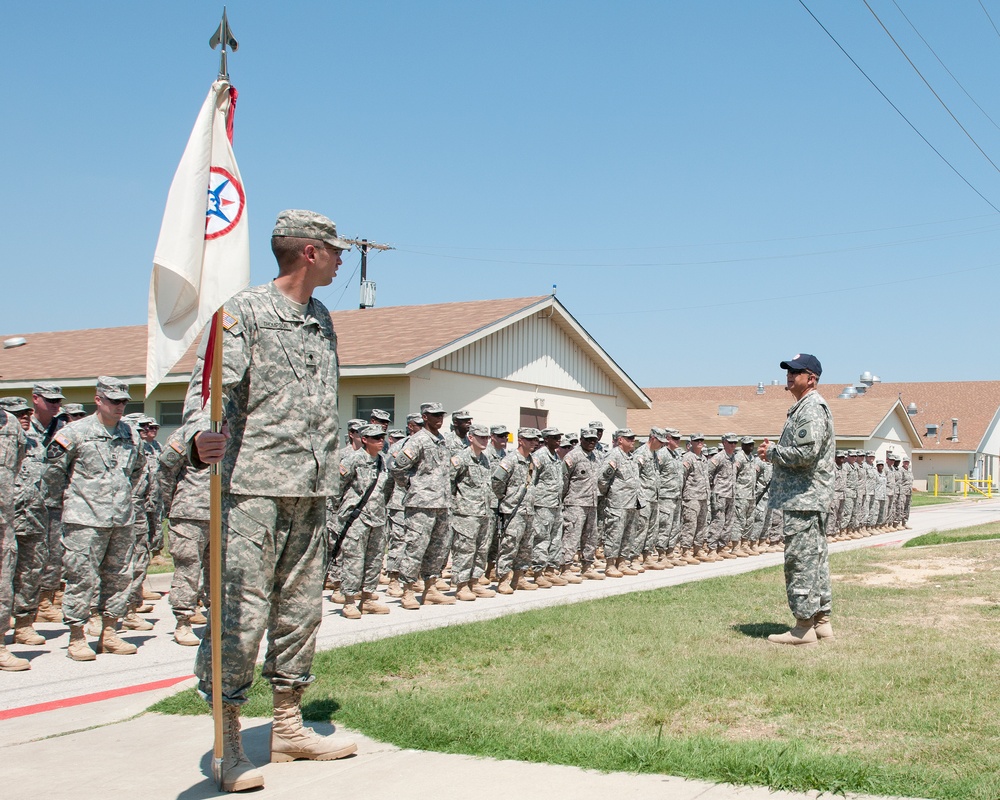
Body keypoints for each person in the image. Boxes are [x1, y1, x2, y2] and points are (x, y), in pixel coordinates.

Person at [185, 210, 357, 792]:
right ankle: (226, 741)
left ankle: (286, 724)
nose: (341, 259)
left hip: (309, 490)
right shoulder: (243, 313)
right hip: (252, 489)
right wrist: (195, 438)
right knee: (241, 616)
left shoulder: (321, 319)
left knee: (301, 612)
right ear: (309, 252)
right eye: (334, 250)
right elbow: (208, 388)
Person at [44, 377, 147, 661]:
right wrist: (70, 502)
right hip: (84, 520)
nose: (120, 407)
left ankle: (109, 633)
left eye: (124, 401)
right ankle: (77, 636)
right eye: (114, 401)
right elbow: (53, 472)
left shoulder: (130, 433)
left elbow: (138, 471)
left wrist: (125, 499)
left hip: (121, 519)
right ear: (98, 400)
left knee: (119, 579)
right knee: (81, 578)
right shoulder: (75, 432)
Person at [758, 353, 835, 646]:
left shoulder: (811, 409)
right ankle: (821, 622)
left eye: (796, 372)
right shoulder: (804, 407)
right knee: (815, 560)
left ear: (811, 378)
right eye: (788, 371)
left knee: (800, 561)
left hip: (804, 498)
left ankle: (803, 627)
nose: (790, 376)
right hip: (807, 497)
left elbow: (806, 453)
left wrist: (773, 453)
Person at [390, 402, 454, 609]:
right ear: (424, 417)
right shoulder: (417, 441)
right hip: (421, 504)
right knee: (415, 547)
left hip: (442, 503)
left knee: (437, 548)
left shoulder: (441, 441)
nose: (439, 419)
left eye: (441, 415)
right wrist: (411, 484)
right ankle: (407, 590)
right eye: (434, 415)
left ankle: (430, 588)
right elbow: (397, 467)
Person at [335, 425, 394, 618]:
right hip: (357, 518)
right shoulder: (353, 459)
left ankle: (367, 598)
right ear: (365, 439)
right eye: (376, 437)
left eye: (382, 437)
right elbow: (337, 486)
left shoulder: (383, 461)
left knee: (374, 560)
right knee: (353, 559)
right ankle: (350, 600)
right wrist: (342, 512)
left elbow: (387, 489)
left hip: (377, 518)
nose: (380, 440)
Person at [448, 423, 496, 600]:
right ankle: (461, 586)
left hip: (483, 512)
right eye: (480, 437)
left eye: (486, 437)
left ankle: (474, 581)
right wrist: (455, 506)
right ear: (471, 438)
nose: (484, 440)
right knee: (465, 550)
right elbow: (449, 484)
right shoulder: (460, 459)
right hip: (465, 514)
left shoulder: (485, 459)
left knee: (481, 550)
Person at [0, 403, 29, 671]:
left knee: (3, 585)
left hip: (3, 520)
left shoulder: (10, 424)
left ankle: (0, 645)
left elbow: (17, 464)